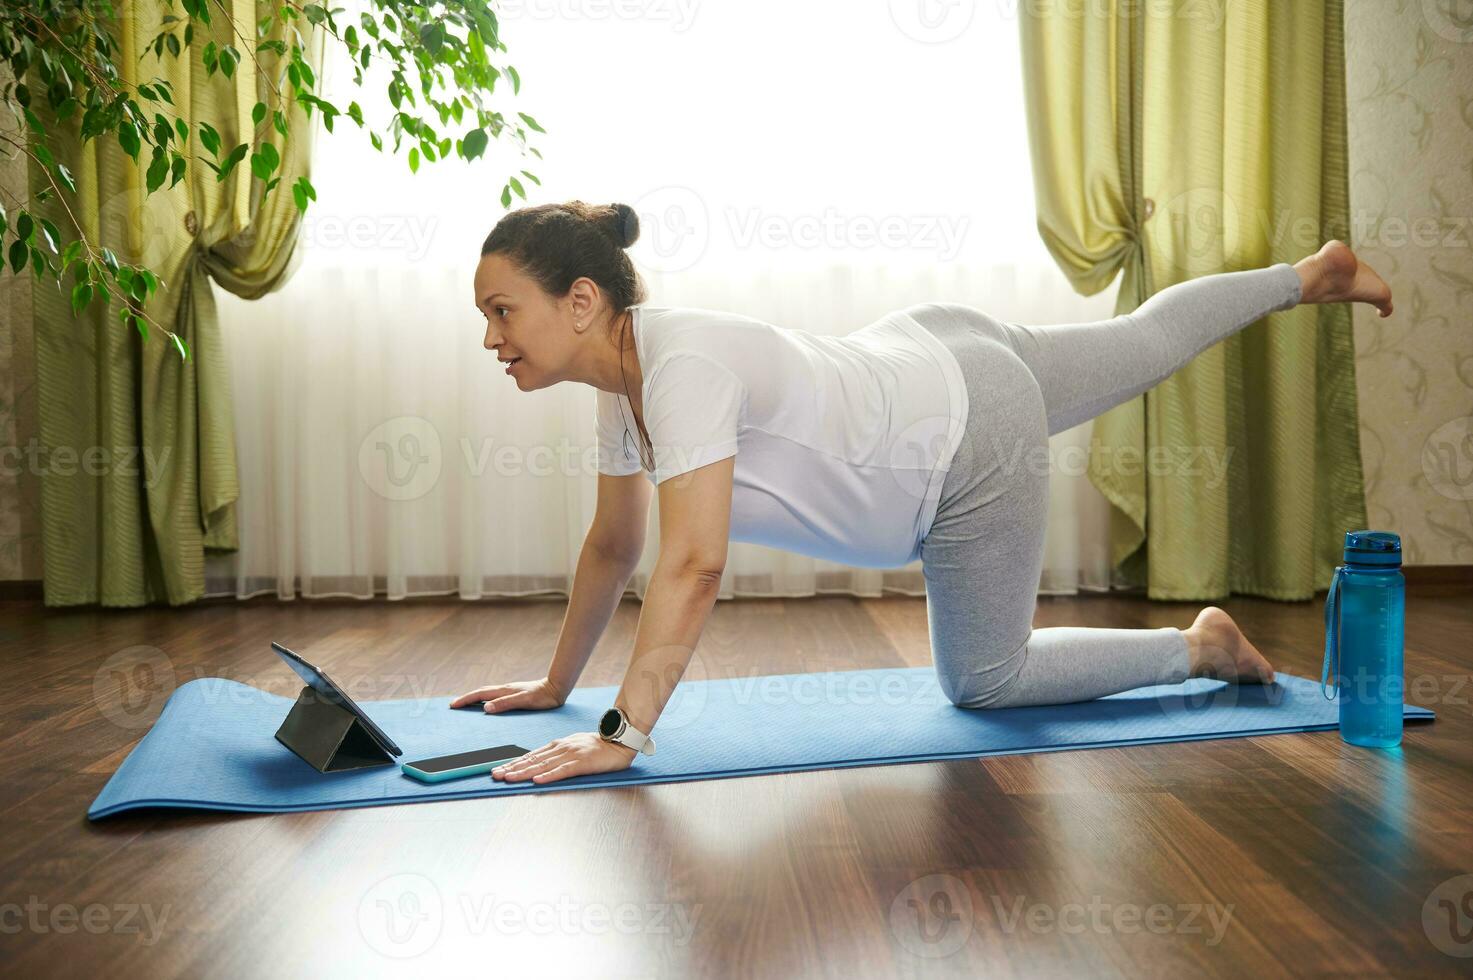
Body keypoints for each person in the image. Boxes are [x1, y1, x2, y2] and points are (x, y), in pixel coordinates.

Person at [451, 200, 1394, 786]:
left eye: (503, 311)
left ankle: (1194, 648)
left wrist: (623, 733)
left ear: (579, 302)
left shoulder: (679, 369)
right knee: (1141, 344)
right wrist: (556, 687)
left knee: (986, 683)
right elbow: (614, 549)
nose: (492, 337)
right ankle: (1310, 274)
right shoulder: (629, 381)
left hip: (961, 445)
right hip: (935, 352)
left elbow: (692, 565)